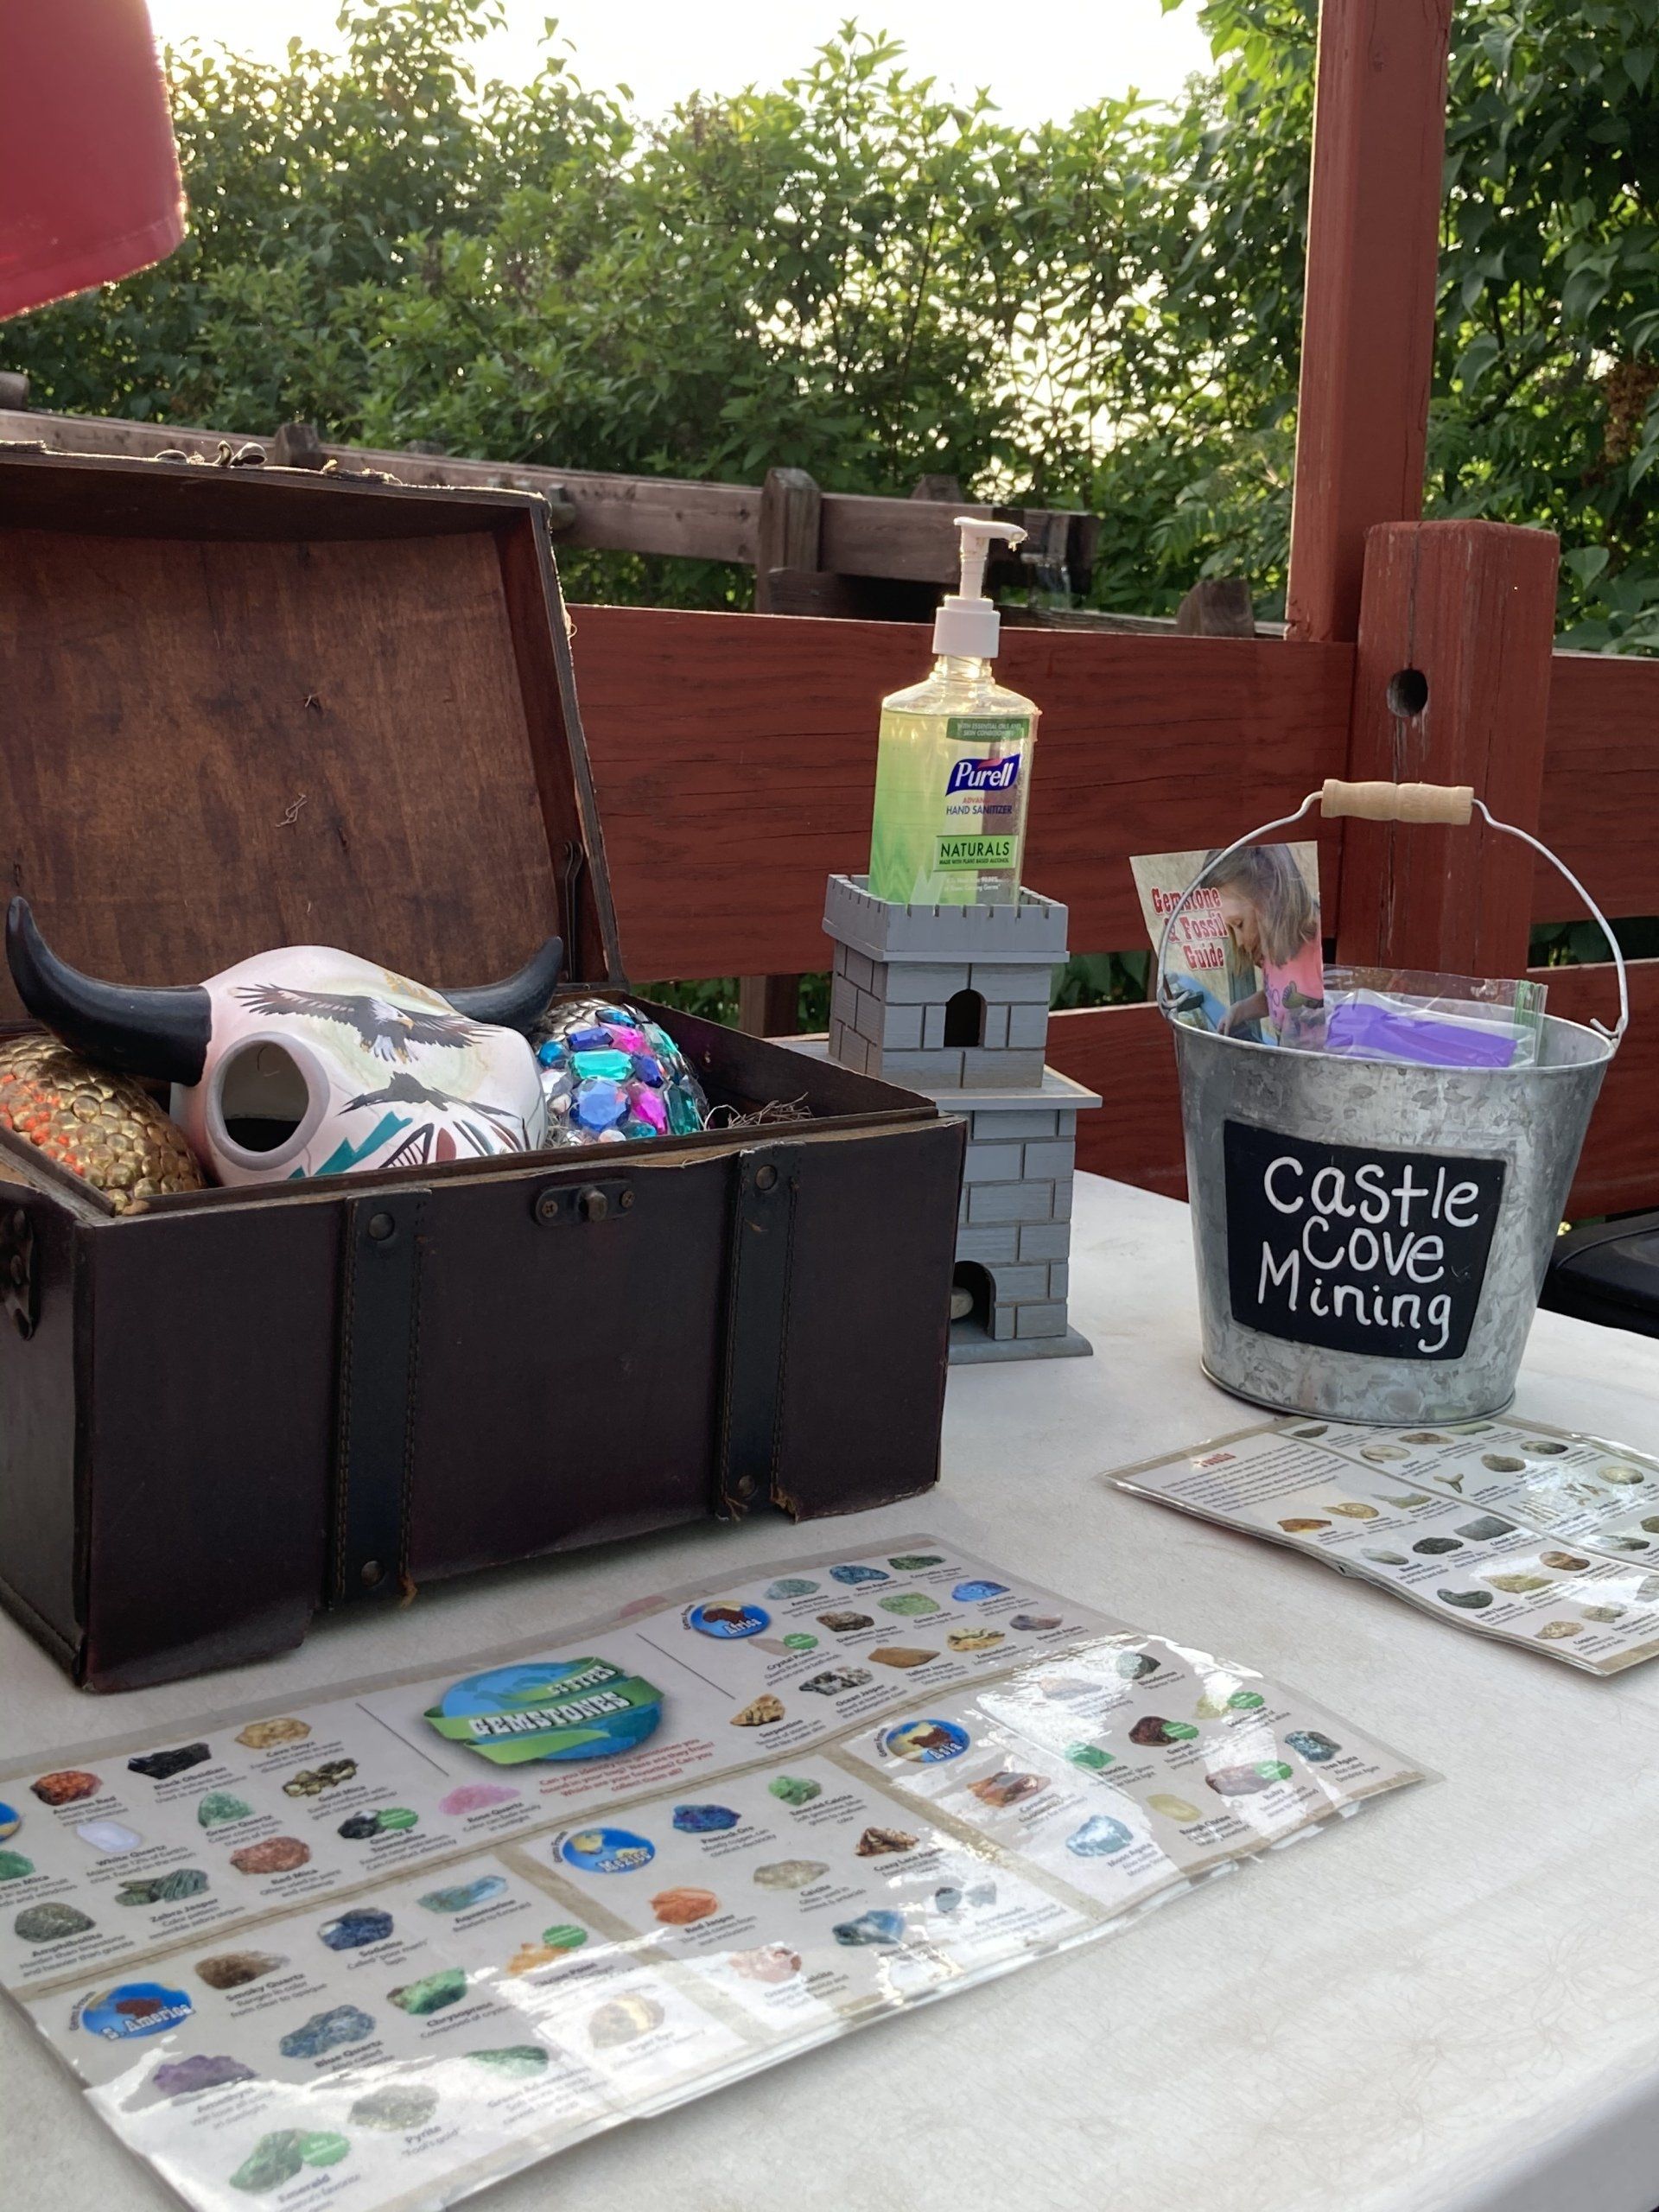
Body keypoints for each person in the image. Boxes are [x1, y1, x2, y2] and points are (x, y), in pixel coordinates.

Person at [1207, 843, 1325, 1044]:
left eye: (1239, 924)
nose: (1241, 941)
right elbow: (1277, 998)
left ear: (1270, 897)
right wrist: (1240, 1010)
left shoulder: (1318, 943)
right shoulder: (1270, 952)